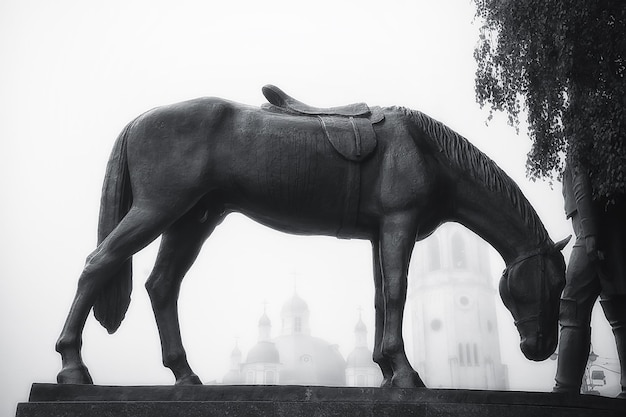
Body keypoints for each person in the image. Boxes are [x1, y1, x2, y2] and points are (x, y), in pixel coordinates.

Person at [553, 159, 626, 398]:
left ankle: (565, 389)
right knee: (618, 305)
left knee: (573, 304)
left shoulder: (583, 131)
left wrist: (591, 233)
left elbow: (581, 181)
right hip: (601, 228)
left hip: (591, 230)